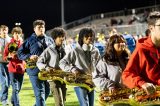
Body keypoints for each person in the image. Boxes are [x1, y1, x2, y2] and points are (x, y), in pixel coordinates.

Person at [59, 27, 100, 106]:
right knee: (85, 104)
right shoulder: (75, 51)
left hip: (92, 82)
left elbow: (99, 66)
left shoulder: (96, 51)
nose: (90, 38)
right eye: (87, 36)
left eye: (91, 36)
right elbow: (62, 62)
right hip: (80, 82)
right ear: (82, 38)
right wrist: (72, 69)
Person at [122, 11, 160, 95]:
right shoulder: (141, 49)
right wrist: (142, 83)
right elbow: (127, 75)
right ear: (151, 28)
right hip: (151, 98)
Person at [17, 19, 54, 106]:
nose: (41, 29)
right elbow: (20, 53)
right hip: (34, 70)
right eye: (39, 27)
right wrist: (29, 56)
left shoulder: (50, 40)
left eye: (43, 27)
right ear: (34, 29)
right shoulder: (29, 40)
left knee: (47, 92)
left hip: (47, 71)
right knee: (40, 94)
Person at [36, 27, 67, 106]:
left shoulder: (66, 48)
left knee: (63, 100)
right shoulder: (48, 50)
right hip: (53, 78)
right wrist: (46, 68)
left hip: (63, 77)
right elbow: (39, 62)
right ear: (54, 38)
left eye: (63, 36)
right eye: (60, 37)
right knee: (59, 103)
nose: (62, 38)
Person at [4, 27, 25, 106]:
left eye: (18, 33)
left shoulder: (23, 44)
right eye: (15, 33)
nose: (17, 35)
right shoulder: (9, 44)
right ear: (13, 34)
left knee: (18, 89)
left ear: (20, 34)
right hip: (12, 69)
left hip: (21, 68)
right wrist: (9, 57)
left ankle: (12, 100)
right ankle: (17, 104)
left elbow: (26, 55)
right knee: (15, 89)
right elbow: (5, 56)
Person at [0, 25, 11, 106]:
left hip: (9, 64)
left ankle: (1, 96)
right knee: (5, 83)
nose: (4, 31)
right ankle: (4, 100)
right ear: (0, 31)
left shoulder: (10, 40)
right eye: (3, 30)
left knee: (9, 83)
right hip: (0, 63)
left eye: (6, 30)